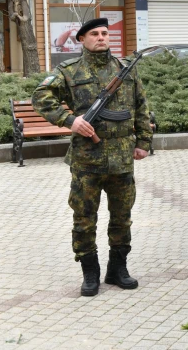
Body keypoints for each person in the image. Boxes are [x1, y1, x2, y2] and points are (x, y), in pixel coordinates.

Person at [32, 18, 152, 297]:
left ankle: (117, 269)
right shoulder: (69, 71)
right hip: (87, 160)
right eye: (94, 34)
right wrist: (69, 120)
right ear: (82, 39)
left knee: (122, 218)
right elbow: (40, 96)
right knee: (84, 218)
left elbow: (141, 106)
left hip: (122, 159)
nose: (101, 37)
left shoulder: (125, 70)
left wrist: (144, 142)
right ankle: (90, 273)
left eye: (104, 33)